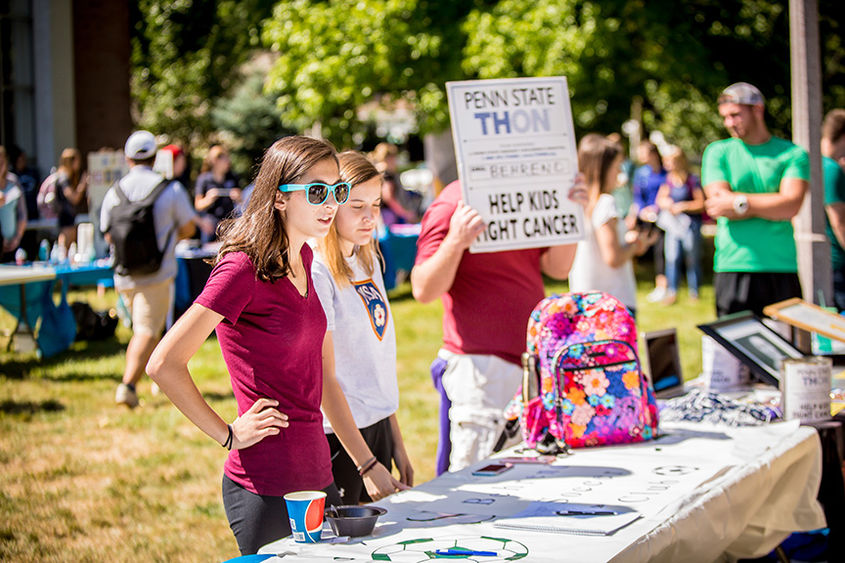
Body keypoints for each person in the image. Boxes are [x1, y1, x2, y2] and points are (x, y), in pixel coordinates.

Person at [145, 136, 406, 555]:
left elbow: (323, 378)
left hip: (320, 476)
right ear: (280, 198)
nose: (331, 204)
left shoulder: (303, 258)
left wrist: (373, 455)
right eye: (317, 191)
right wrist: (228, 434)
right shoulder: (241, 268)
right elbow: (163, 363)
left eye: (337, 191)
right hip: (265, 487)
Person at [411, 174, 586, 473]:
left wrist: (572, 212)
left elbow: (557, 267)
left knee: (530, 473)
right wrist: (455, 241)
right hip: (481, 374)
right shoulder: (453, 203)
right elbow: (423, 289)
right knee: (474, 480)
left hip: (532, 367)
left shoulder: (530, 193)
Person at [312, 151, 414, 504]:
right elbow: (324, 378)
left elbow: (374, 362)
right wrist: (366, 464)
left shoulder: (366, 257)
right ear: (331, 204)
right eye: (357, 205)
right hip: (343, 442)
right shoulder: (317, 270)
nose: (371, 216)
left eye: (375, 203)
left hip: (377, 428)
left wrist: (396, 443)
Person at [101, 131, 212, 409]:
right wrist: (168, 238)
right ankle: (127, 386)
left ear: (127, 158)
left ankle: (157, 381)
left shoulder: (115, 191)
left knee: (144, 328)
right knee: (147, 331)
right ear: (156, 157)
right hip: (157, 274)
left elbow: (107, 235)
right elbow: (188, 227)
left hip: (124, 274)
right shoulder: (170, 190)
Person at [702, 82, 809, 317]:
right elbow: (718, 202)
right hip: (733, 264)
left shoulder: (793, 154)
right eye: (725, 117)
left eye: (736, 115)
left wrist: (739, 203)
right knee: (734, 349)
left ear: (757, 109)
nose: (729, 123)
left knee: (786, 351)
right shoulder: (718, 151)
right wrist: (772, 204)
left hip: (781, 266)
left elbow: (791, 205)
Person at [568, 134, 656, 317]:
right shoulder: (606, 202)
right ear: (603, 169)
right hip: (612, 304)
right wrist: (636, 245)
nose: (619, 173)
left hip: (585, 301)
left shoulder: (578, 205)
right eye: (617, 167)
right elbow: (613, 257)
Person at [655, 146, 705, 304]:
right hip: (673, 226)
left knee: (692, 258)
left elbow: (701, 203)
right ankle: (672, 292)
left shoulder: (692, 180)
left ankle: (694, 291)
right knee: (672, 257)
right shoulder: (668, 180)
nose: (668, 164)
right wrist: (667, 203)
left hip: (690, 224)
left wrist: (683, 206)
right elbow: (659, 200)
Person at [632, 140, 668, 302]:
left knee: (662, 251)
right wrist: (642, 211)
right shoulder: (640, 173)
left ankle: (662, 285)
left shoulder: (665, 173)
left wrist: (656, 209)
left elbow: (668, 193)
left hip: (663, 217)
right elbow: (638, 196)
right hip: (645, 217)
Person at [821, 109, 845, 311]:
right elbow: (839, 221)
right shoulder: (830, 168)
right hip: (837, 264)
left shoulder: (814, 163)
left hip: (826, 263)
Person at [195, 144, 242, 239]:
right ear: (216, 161)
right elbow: (198, 205)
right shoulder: (204, 179)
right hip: (211, 225)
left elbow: (241, 202)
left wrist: (238, 197)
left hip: (230, 223)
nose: (228, 162)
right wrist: (209, 199)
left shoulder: (232, 178)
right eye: (225, 159)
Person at [370, 142, 418, 226]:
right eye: (394, 158)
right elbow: (388, 197)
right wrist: (405, 214)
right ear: (388, 158)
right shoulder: (386, 174)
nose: (395, 161)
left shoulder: (377, 172)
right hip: (388, 216)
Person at [53, 148, 90, 248]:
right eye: (78, 160)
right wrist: (83, 184)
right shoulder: (63, 177)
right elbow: (73, 198)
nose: (79, 164)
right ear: (71, 161)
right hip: (66, 219)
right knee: (65, 249)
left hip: (68, 218)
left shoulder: (65, 176)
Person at [0, 145, 27, 261]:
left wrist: (17, 238)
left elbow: (22, 214)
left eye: (1, 162)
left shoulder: (13, 181)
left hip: (13, 244)